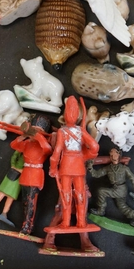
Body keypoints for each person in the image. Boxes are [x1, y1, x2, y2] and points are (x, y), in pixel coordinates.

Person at [49, 96, 99, 228]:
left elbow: (57, 152)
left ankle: (66, 222)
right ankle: (81, 222)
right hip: (78, 165)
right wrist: (85, 156)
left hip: (65, 166)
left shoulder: (62, 131)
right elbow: (94, 146)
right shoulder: (81, 131)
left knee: (66, 194)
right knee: (80, 194)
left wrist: (53, 168)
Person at [9, 115, 53, 235]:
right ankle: (24, 224)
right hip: (26, 173)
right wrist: (23, 136)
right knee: (24, 201)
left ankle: (28, 226)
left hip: (35, 175)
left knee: (31, 202)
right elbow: (13, 145)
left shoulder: (44, 144)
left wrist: (38, 136)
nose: (33, 133)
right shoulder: (27, 143)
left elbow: (48, 149)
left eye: (36, 131)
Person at [87, 147, 134, 227]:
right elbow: (96, 174)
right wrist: (90, 167)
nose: (113, 156)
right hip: (116, 189)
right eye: (111, 154)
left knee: (101, 191)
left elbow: (133, 179)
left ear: (119, 154)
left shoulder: (124, 168)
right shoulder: (108, 168)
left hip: (121, 189)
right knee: (122, 207)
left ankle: (101, 210)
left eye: (115, 153)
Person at [0, 149, 24, 222]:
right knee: (3, 191)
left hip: (21, 177)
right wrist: (13, 165)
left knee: (11, 196)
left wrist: (24, 171)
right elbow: (15, 155)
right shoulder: (23, 148)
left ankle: (4, 213)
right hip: (13, 172)